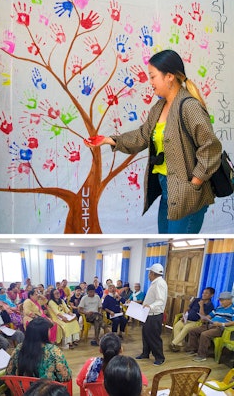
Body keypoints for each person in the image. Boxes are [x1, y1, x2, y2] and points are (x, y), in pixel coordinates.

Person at [87, 50, 222, 233]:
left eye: (152, 76)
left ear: (169, 77)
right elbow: (142, 135)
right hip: (167, 188)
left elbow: (210, 148)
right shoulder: (159, 107)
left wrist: (193, 185)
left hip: (187, 192)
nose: (150, 82)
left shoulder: (190, 107)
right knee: (165, 236)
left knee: (174, 241)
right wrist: (109, 140)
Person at [6, 316, 72, 383]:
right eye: (49, 330)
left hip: (22, 391)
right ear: (44, 333)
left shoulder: (19, 348)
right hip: (46, 391)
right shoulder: (53, 350)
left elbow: (9, 372)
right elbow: (65, 376)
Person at [76, 333, 148, 394]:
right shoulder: (127, 366)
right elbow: (143, 384)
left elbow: (80, 382)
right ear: (121, 350)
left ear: (100, 350)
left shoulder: (90, 365)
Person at [185, 290, 234, 362]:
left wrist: (221, 324)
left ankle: (202, 355)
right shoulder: (219, 308)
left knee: (205, 334)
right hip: (210, 324)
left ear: (229, 300)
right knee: (192, 330)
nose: (221, 302)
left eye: (223, 300)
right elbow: (210, 316)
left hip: (220, 328)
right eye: (220, 300)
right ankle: (192, 349)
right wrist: (205, 318)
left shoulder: (232, 309)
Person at [136, 263, 167, 365]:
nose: (148, 275)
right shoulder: (155, 282)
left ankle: (159, 357)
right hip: (148, 314)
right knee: (145, 334)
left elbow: (161, 300)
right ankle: (145, 353)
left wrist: (150, 306)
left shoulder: (160, 283)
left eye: (149, 273)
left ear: (153, 273)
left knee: (154, 337)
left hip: (155, 315)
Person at [171, 287, 214, 351]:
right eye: (203, 293)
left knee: (186, 328)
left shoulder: (210, 305)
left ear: (211, 295)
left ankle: (173, 344)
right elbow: (188, 308)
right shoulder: (197, 300)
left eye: (206, 293)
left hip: (196, 322)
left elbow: (203, 317)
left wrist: (201, 305)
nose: (203, 294)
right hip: (187, 319)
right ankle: (178, 345)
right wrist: (184, 316)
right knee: (177, 326)